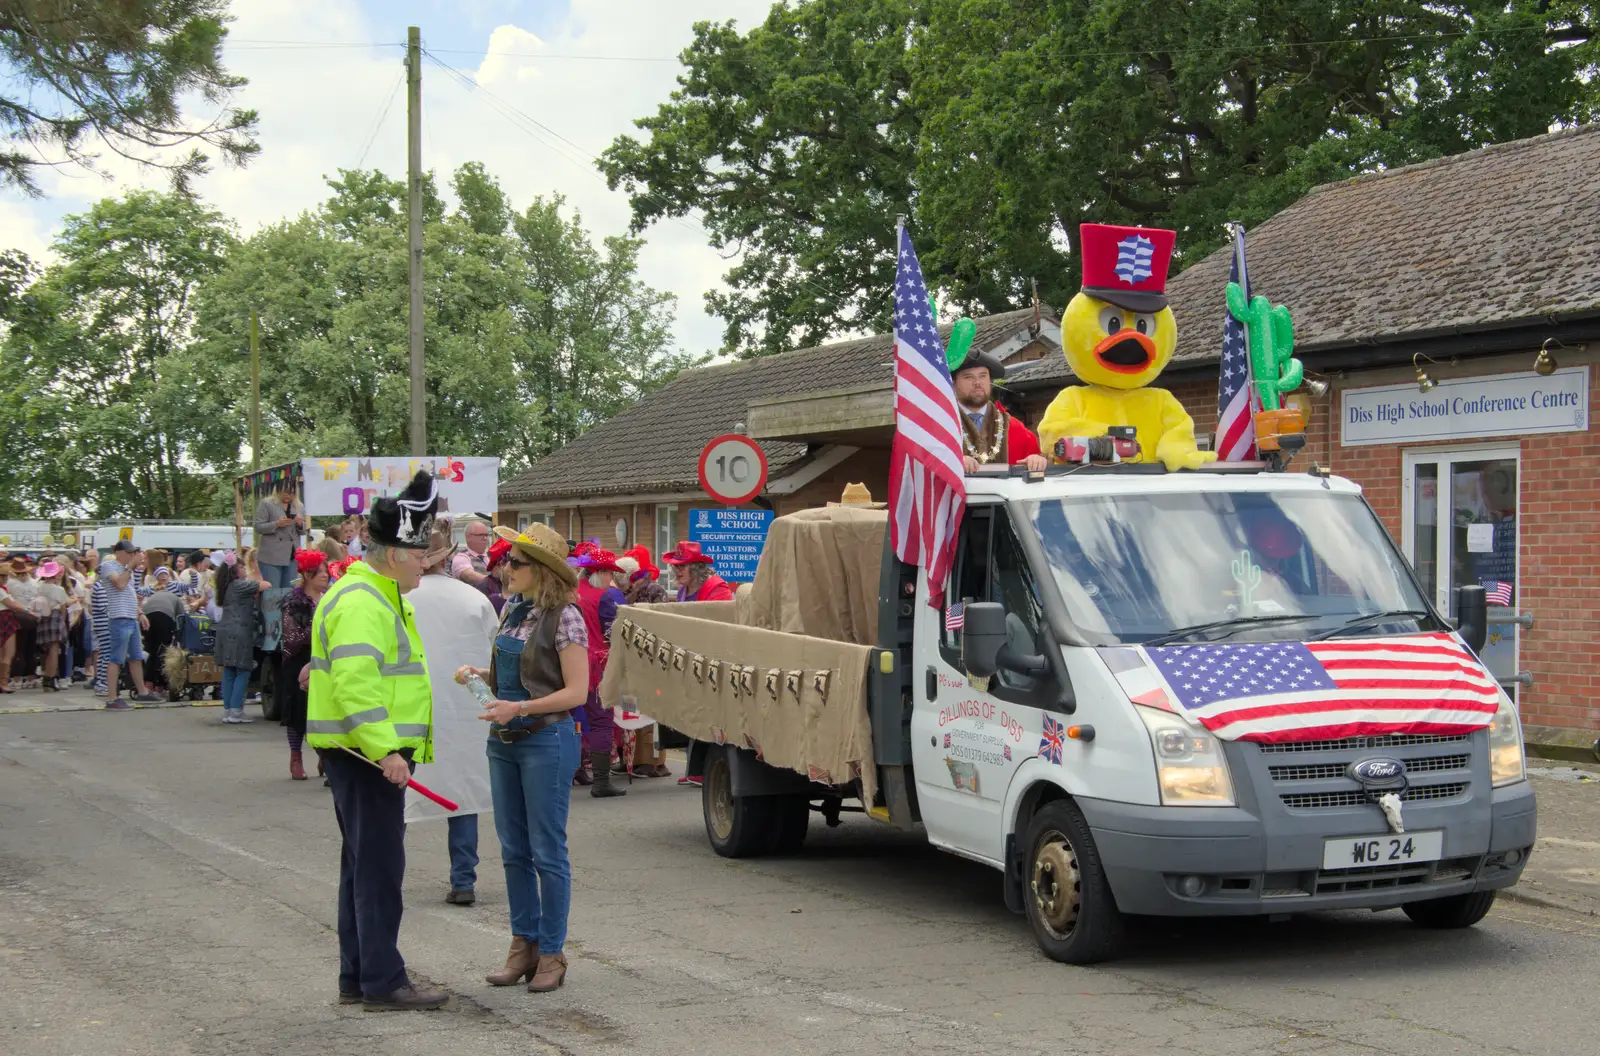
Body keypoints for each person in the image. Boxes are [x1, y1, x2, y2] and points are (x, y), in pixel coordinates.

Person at [307, 471, 445, 1011]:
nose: (426, 564)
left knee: (363, 866)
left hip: (361, 753)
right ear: (394, 555)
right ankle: (383, 982)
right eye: (420, 555)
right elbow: (356, 683)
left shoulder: (375, 592)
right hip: (367, 755)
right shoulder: (366, 600)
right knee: (379, 870)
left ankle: (359, 974)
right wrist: (385, 749)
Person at [458, 524, 586, 994]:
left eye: (515, 562)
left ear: (542, 571)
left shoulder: (566, 616)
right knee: (513, 850)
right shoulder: (513, 607)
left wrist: (520, 708)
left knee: (547, 852)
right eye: (507, 560)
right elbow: (512, 673)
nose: (504, 567)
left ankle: (552, 952)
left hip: (545, 739)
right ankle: (523, 946)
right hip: (504, 737)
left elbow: (577, 691)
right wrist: (481, 675)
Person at [408, 529, 498, 906]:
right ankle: (464, 879)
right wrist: (487, 701)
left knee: (397, 793)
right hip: (463, 709)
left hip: (411, 709)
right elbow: (494, 657)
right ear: (450, 556)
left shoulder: (401, 599)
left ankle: (383, 877)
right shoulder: (473, 599)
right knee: (462, 792)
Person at [573, 548, 628, 798]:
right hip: (595, 667)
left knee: (570, 719)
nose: (611, 580)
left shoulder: (570, 594)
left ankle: (571, 772)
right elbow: (613, 636)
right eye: (609, 574)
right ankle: (602, 781)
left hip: (567, 663)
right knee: (601, 722)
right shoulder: (603, 598)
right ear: (600, 572)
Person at [616, 548, 671, 778]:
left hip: (651, 661)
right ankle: (632, 759)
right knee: (629, 710)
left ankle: (652, 761)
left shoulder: (654, 590)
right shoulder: (629, 593)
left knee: (649, 712)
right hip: (631, 661)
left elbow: (664, 624)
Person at [951, 349, 1048, 473]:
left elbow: (1035, 465)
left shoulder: (1014, 427)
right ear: (954, 383)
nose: (977, 383)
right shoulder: (942, 427)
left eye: (983, 376)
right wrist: (954, 462)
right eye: (968, 377)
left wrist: (1035, 459)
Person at [279, 550, 330, 780]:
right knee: (298, 713)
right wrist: (320, 629)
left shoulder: (331, 598)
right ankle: (296, 757)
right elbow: (292, 637)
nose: (325, 576)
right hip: (299, 659)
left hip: (324, 658)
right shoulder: (293, 601)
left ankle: (324, 756)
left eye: (326, 571)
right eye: (320, 572)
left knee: (323, 711)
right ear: (308, 575)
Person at [100, 541, 164, 710]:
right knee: (116, 659)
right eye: (129, 552)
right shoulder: (109, 566)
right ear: (119, 552)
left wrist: (140, 613)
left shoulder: (129, 571)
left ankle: (142, 692)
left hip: (130, 617)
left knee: (136, 657)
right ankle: (112, 697)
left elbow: (129, 594)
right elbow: (119, 585)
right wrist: (130, 567)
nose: (132, 555)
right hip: (119, 617)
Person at [213, 551, 268, 724]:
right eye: (241, 566)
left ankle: (229, 710)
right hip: (239, 631)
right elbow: (266, 584)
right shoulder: (239, 585)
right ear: (235, 571)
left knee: (229, 671)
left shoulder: (227, 587)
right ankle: (237, 711)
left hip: (225, 630)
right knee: (243, 670)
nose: (244, 569)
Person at [254, 483, 307, 589]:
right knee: (272, 590)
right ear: (278, 490)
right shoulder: (267, 503)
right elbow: (258, 526)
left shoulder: (299, 506)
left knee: (289, 591)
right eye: (286, 492)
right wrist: (276, 524)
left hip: (292, 555)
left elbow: (305, 530)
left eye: (292, 493)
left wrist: (301, 525)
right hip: (271, 555)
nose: (289, 495)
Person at [140, 567, 184, 691]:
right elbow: (181, 617)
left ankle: (148, 682)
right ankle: (159, 682)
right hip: (164, 618)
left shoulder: (153, 596)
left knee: (152, 651)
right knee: (163, 651)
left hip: (146, 618)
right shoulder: (174, 597)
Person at [663, 542, 735, 602]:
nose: (677, 570)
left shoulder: (718, 590)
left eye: (682, 566)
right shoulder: (683, 590)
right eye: (675, 566)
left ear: (696, 568)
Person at [451, 517, 494, 586]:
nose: (485, 538)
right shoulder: (461, 557)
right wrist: (496, 583)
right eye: (480, 535)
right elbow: (469, 576)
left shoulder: (492, 556)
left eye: (486, 535)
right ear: (468, 537)